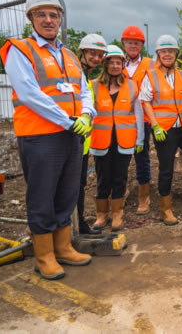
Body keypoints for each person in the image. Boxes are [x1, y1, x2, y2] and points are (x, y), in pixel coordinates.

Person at [0, 0, 94, 280]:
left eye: (53, 14)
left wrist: (87, 115)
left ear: (60, 18)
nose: (48, 20)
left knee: (67, 192)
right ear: (31, 18)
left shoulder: (67, 54)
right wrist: (67, 120)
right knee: (42, 195)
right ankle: (44, 256)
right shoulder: (20, 50)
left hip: (71, 134)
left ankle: (63, 247)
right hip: (40, 136)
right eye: (41, 14)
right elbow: (29, 94)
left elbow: (83, 89)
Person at [141, 35, 182, 225]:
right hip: (164, 129)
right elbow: (146, 101)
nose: (167, 54)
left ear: (176, 53)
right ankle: (165, 209)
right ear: (158, 54)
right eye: (163, 51)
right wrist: (155, 125)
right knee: (166, 168)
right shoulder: (150, 76)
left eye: (171, 51)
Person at [90, 45, 143, 232]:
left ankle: (117, 214)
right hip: (101, 140)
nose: (115, 65)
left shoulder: (131, 85)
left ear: (123, 64)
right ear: (105, 65)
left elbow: (138, 114)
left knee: (120, 177)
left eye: (118, 62)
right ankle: (101, 215)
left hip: (124, 140)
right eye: (111, 62)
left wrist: (140, 139)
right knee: (103, 178)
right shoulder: (94, 85)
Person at [76, 34, 108, 234]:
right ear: (83, 52)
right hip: (70, 139)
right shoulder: (74, 73)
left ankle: (78, 224)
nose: (96, 59)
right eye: (92, 54)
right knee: (69, 187)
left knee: (79, 186)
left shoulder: (86, 77)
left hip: (82, 143)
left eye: (99, 56)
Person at [121, 26, 154, 215]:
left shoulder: (151, 64)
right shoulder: (116, 62)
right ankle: (121, 191)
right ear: (124, 43)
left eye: (136, 43)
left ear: (142, 44)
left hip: (143, 119)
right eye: (129, 42)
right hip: (121, 118)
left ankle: (144, 196)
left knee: (142, 157)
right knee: (121, 158)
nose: (133, 46)